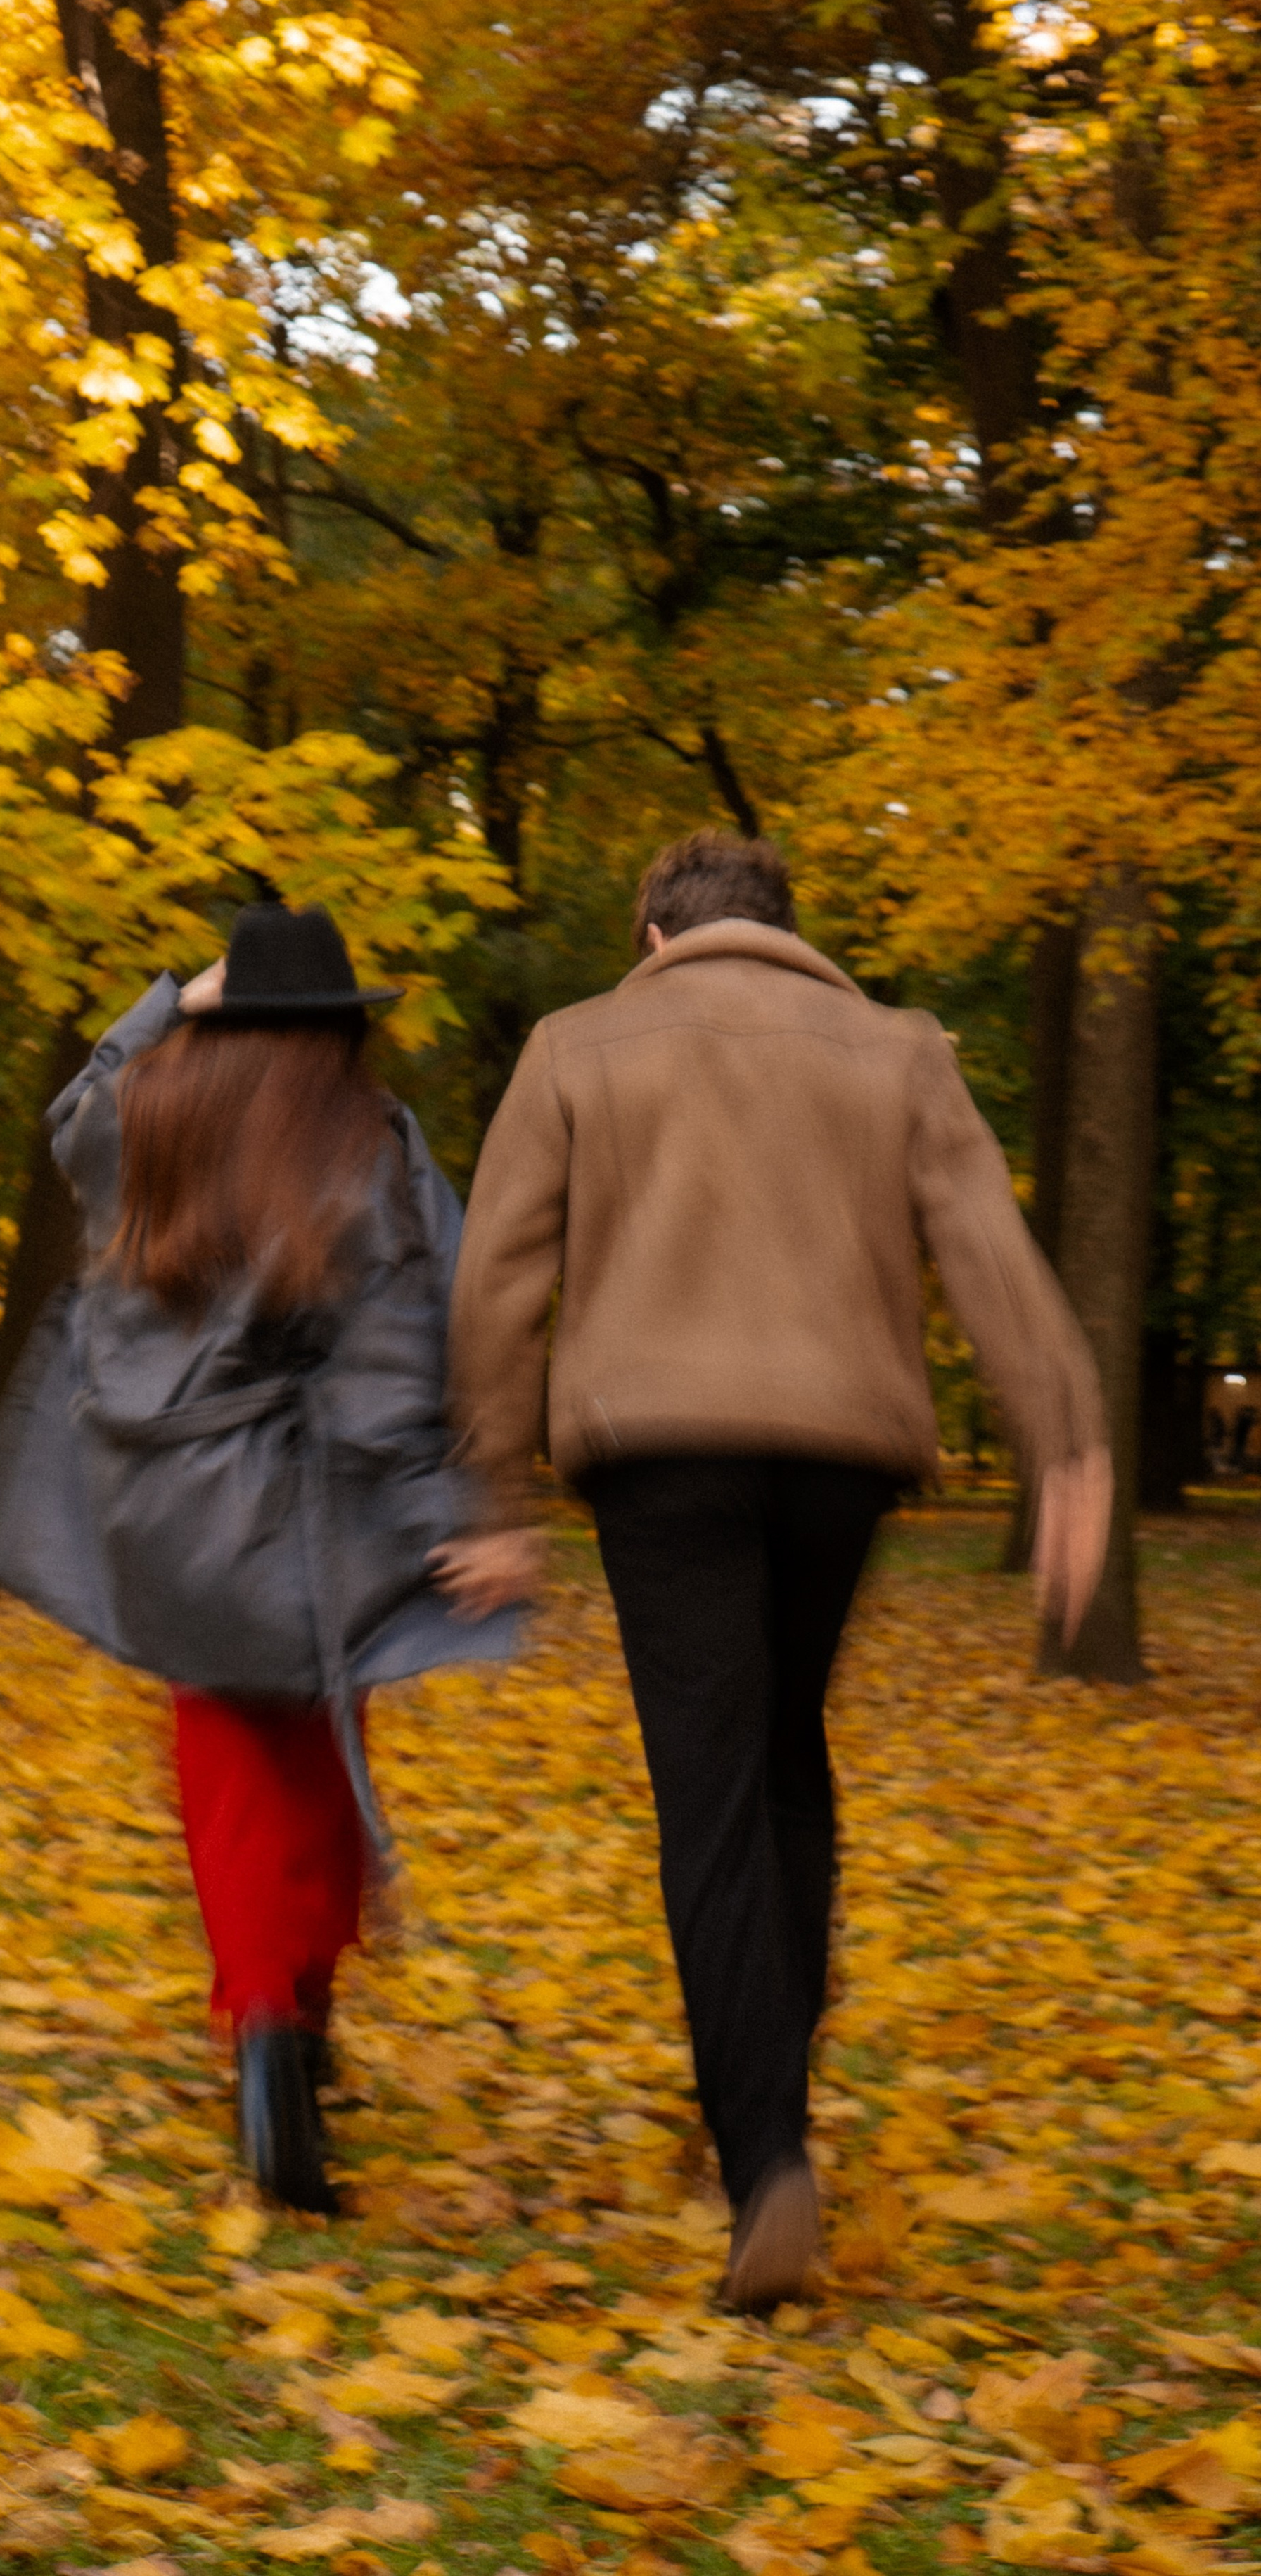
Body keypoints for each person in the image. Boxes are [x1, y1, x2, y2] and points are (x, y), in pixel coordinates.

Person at [436, 829, 1110, 2309]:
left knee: (710, 1789)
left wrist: (491, 1493)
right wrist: (1065, 1446)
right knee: (787, 1754)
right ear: (784, 930)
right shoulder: (899, 1049)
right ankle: (772, 2074)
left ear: (654, 931)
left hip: (652, 1446)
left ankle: (765, 2161)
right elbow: (987, 1251)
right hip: (840, 1458)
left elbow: (495, 1279)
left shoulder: (575, 1044)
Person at [0, 896, 521, 2213]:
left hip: (151, 1508)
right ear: (340, 1029)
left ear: (224, 1011)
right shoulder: (363, 1144)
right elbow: (393, 1368)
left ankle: (264, 2012)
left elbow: (70, 1104)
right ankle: (292, 2023)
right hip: (301, 1516)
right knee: (319, 1753)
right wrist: (456, 1521)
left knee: (222, 1769)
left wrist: (171, 1003)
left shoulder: (145, 1122)